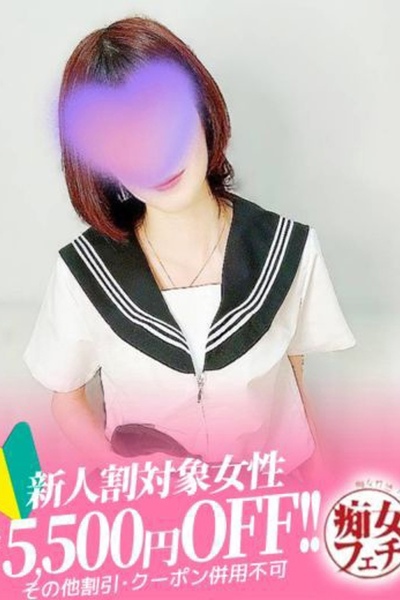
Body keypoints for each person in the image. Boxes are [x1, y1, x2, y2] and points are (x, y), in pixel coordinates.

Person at [23, 16, 356, 483]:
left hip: (267, 502)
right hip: (152, 510)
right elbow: (66, 397)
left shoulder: (287, 249)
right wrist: (121, 474)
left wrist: (319, 490)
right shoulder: (84, 272)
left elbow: (295, 375)